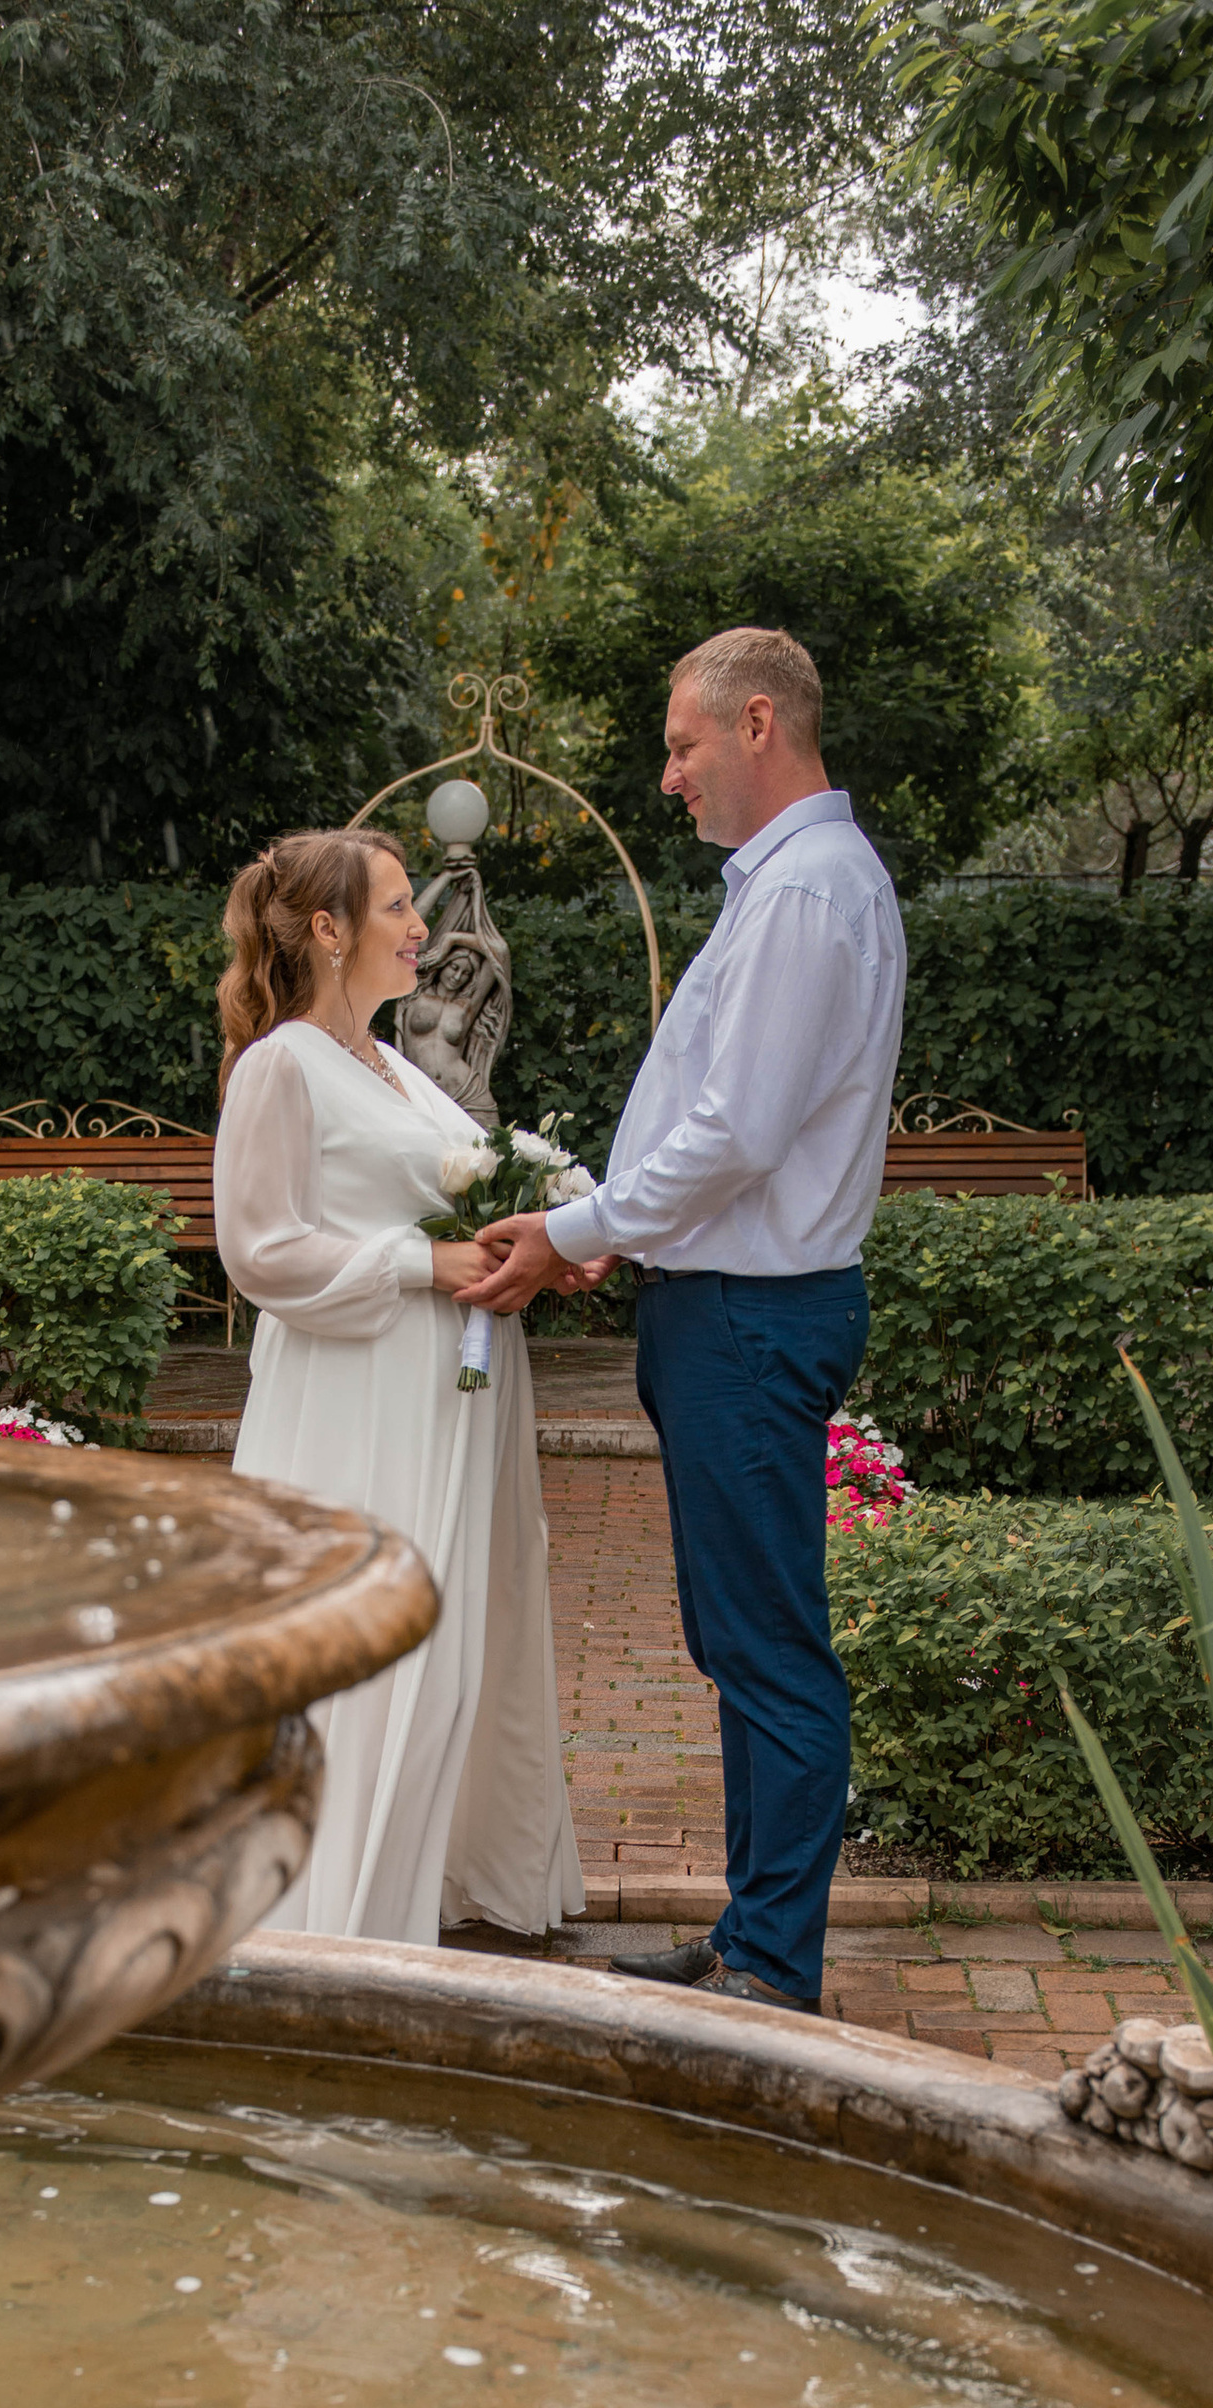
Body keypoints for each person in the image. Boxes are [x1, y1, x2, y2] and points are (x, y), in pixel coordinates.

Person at [467, 624, 906, 2014]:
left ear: (758, 722)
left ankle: (775, 1964)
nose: (670, 775)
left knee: (767, 1643)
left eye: (682, 743)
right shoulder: (794, 883)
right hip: (728, 1302)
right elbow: (720, 1131)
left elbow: (736, 1130)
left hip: (752, 1317)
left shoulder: (803, 893)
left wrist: (577, 1233)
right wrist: (617, 1231)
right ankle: (750, 1930)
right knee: (737, 1636)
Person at [212, 827, 585, 1946]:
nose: (421, 926)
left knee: (454, 1633)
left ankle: (431, 1868)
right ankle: (326, 1900)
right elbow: (259, 1251)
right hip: (355, 1400)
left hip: (445, 1395)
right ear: (327, 931)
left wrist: (563, 1226)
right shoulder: (280, 1063)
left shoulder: (392, 1065)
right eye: (393, 908)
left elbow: (470, 1174)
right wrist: (423, 1263)